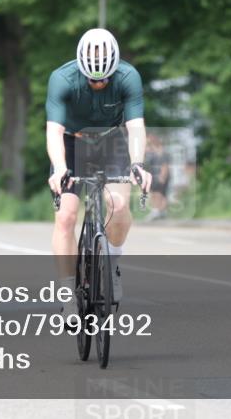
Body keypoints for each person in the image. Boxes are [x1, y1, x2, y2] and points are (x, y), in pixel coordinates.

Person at [46, 28, 152, 316]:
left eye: (103, 79)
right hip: (71, 141)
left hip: (111, 139)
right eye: (93, 79)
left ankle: (113, 265)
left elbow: (135, 126)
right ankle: (68, 293)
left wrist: (138, 164)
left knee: (117, 206)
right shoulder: (62, 79)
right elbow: (54, 131)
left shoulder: (128, 77)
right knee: (66, 217)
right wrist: (59, 168)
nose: (98, 83)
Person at [145, 134, 171, 222]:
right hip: (154, 176)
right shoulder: (152, 152)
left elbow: (165, 165)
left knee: (159, 194)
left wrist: (162, 177)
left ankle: (157, 211)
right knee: (156, 193)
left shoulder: (162, 152)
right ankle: (160, 211)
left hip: (160, 176)